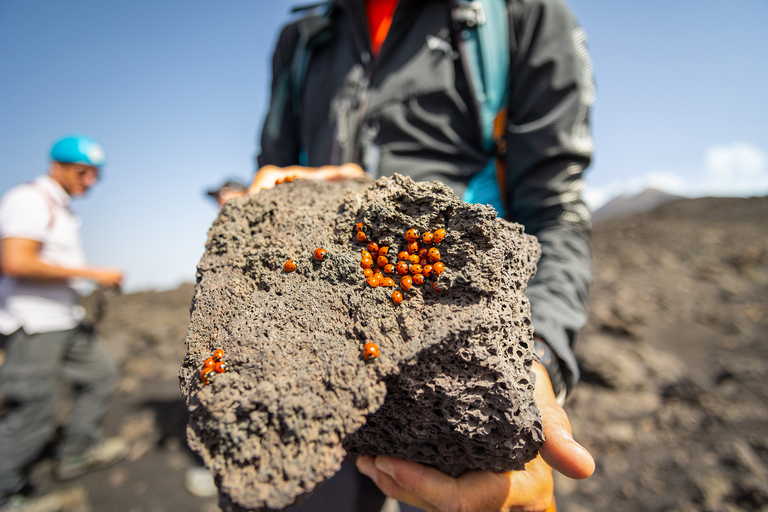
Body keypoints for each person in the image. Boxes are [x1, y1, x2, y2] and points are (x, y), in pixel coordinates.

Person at [251, 0, 596, 509]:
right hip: (321, 351)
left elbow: (556, 212)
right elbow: (275, 169)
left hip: (459, 345)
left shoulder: (516, 15)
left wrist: (535, 351)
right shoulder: (306, 38)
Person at [0, 135, 129, 508]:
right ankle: (5, 494)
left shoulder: (62, 207)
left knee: (102, 375)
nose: (89, 181)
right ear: (57, 165)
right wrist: (92, 273)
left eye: (95, 176)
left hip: (65, 319)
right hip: (33, 324)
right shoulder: (30, 200)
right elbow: (15, 260)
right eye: (82, 172)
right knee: (34, 410)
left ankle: (76, 450)